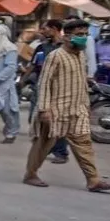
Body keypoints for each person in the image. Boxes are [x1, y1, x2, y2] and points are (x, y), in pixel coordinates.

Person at [24, 19, 110, 192]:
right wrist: (45, 109)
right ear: (66, 36)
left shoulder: (80, 55)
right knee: (43, 144)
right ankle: (31, 174)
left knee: (84, 143)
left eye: (85, 34)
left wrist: (86, 105)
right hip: (55, 109)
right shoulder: (55, 56)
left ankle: (93, 180)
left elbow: (82, 81)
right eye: (79, 35)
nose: (83, 38)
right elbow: (44, 83)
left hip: (77, 108)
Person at [29, 20, 70, 164]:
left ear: (54, 29)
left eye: (45, 29)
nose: (42, 31)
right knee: (37, 120)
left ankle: (61, 153)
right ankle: (46, 149)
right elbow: (33, 65)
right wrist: (23, 80)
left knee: (57, 121)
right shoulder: (41, 47)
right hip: (41, 87)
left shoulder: (66, 47)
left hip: (60, 89)